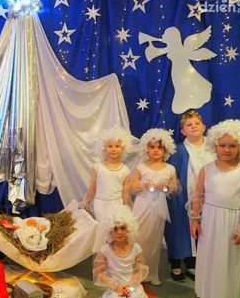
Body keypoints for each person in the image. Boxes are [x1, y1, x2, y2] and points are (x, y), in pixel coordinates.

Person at [190, 119, 240, 298]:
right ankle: (206, 294)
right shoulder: (207, 169)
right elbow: (198, 195)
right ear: (215, 145)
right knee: (208, 257)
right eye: (222, 145)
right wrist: (194, 219)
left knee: (228, 259)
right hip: (210, 219)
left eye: (232, 146)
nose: (226, 150)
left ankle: (223, 297)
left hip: (232, 221)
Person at [93, 205, 172, 298]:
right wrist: (116, 286)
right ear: (109, 231)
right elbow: (99, 273)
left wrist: (129, 286)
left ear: (129, 229)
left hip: (133, 286)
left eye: (123, 228)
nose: (119, 232)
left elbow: (139, 269)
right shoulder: (105, 250)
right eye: (115, 229)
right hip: (115, 288)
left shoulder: (136, 248)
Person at [164, 110, 215, 282]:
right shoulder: (177, 150)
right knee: (179, 227)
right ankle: (176, 263)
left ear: (204, 127)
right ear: (183, 131)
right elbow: (172, 173)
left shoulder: (213, 148)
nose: (193, 127)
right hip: (183, 196)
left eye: (197, 123)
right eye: (188, 125)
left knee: (203, 228)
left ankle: (193, 262)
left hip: (209, 196)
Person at [130, 128, 179, 286]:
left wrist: (164, 187)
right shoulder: (141, 167)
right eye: (152, 147)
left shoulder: (170, 169)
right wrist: (145, 185)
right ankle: (136, 272)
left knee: (154, 239)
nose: (156, 150)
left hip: (159, 207)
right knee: (139, 238)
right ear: (147, 149)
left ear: (166, 149)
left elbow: (175, 189)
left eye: (159, 147)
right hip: (142, 205)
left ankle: (152, 273)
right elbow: (132, 187)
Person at [83, 128, 133, 220]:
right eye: (110, 146)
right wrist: (86, 201)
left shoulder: (125, 170)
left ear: (123, 149)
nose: (113, 149)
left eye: (117, 146)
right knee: (102, 226)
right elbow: (93, 187)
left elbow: (126, 192)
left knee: (116, 226)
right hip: (100, 204)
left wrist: (127, 207)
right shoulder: (97, 167)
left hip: (118, 204)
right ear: (104, 148)